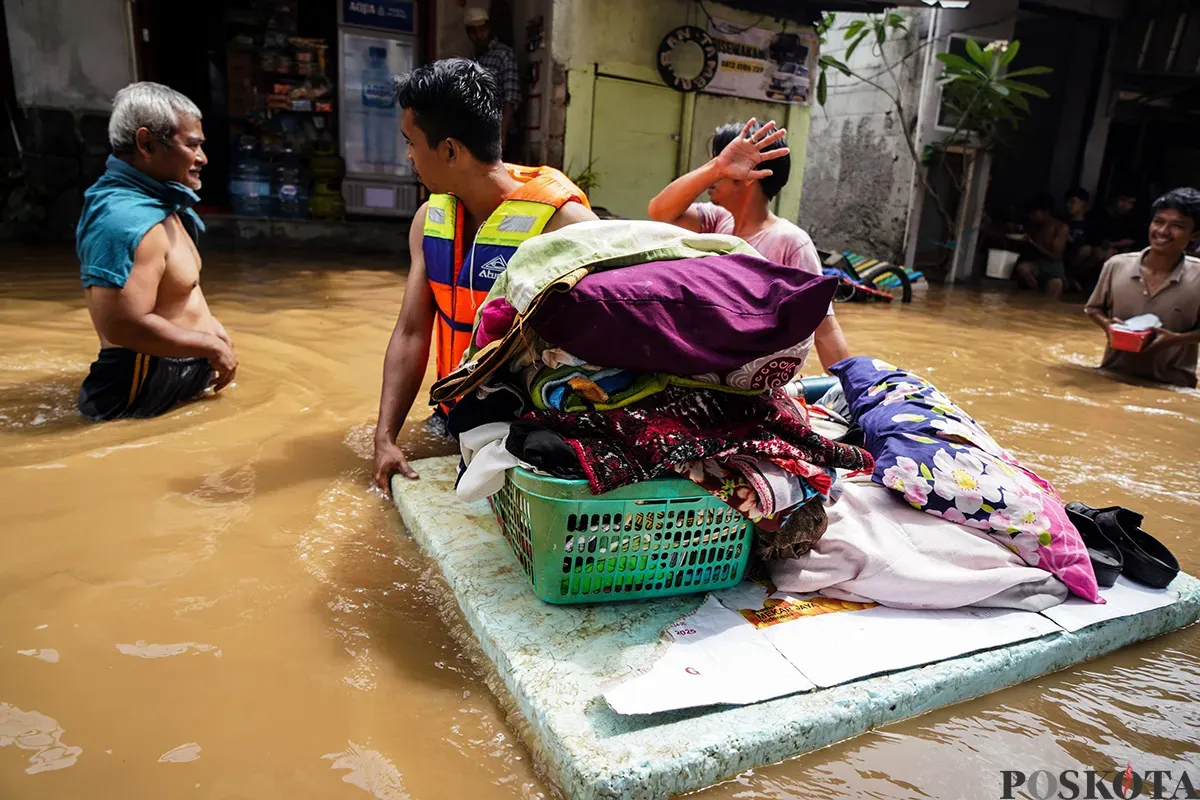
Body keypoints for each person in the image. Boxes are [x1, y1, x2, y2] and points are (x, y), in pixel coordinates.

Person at [372, 59, 596, 493]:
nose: (408, 156)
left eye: (411, 143)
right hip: (451, 414)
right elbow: (411, 332)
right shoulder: (428, 221)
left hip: (523, 431)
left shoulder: (566, 226)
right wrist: (385, 438)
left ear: (451, 150)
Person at [75, 82, 236, 421]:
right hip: (138, 389)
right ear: (146, 144)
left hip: (167, 374)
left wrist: (212, 330)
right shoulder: (124, 221)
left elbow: (174, 292)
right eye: (192, 145)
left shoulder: (158, 201)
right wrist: (210, 346)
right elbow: (124, 327)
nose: (202, 158)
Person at [646, 118, 852, 372]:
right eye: (713, 165)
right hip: (709, 362)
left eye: (721, 166)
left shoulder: (790, 242)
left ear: (747, 175)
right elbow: (659, 211)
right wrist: (716, 168)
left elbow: (824, 329)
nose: (711, 175)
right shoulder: (716, 222)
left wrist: (848, 390)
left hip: (753, 374)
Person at [1084, 187, 1200, 388]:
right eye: (1158, 222)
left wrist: (1175, 339)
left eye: (1177, 226)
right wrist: (1108, 327)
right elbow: (1093, 309)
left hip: (1172, 387)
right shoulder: (1116, 265)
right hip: (1112, 376)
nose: (1162, 231)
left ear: (1195, 233)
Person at [464, 6, 521, 157]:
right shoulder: (474, 60)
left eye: (482, 30)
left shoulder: (504, 55)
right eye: (473, 32)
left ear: (488, 29)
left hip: (498, 134)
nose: (478, 35)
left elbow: (511, 98)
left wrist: (501, 135)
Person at [1014, 192, 1069, 300]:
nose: (1031, 216)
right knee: (1022, 268)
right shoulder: (1033, 225)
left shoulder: (1060, 228)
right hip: (1036, 265)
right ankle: (1035, 293)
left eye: (1034, 214)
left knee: (1055, 286)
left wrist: (1032, 243)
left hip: (1053, 268)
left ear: (1045, 213)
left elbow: (1055, 256)